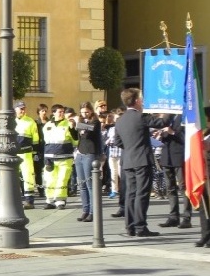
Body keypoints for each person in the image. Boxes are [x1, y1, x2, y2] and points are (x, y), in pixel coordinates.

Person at [113, 88, 167, 237]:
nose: (142, 102)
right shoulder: (141, 116)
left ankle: (130, 226)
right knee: (142, 193)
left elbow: (118, 141)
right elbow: (162, 122)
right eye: (141, 99)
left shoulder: (120, 119)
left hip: (128, 160)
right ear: (137, 101)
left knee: (131, 193)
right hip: (142, 159)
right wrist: (170, 109)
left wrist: (131, 147)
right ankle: (141, 227)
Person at [155, 113, 193, 229]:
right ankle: (173, 217)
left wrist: (173, 132)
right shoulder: (168, 117)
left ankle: (186, 218)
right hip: (167, 157)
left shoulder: (185, 116)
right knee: (170, 188)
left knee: (183, 187)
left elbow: (188, 138)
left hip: (180, 156)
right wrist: (160, 135)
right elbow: (165, 137)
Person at [42, 105, 77, 210]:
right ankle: (50, 200)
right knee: (49, 180)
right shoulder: (48, 125)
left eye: (63, 112)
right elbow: (45, 141)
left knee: (62, 180)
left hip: (65, 157)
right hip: (50, 157)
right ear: (53, 113)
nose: (62, 114)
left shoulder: (68, 124)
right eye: (59, 112)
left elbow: (76, 141)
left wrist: (73, 129)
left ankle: (60, 201)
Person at [74, 102, 103, 222]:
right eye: (82, 112)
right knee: (82, 185)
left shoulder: (95, 122)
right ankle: (85, 210)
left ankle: (92, 212)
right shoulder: (81, 122)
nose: (84, 114)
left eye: (86, 112)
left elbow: (89, 133)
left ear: (91, 111)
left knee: (90, 185)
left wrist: (79, 124)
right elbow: (77, 136)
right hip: (80, 154)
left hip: (90, 154)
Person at [14, 102, 40, 209]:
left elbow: (36, 139)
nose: (22, 110)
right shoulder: (10, 121)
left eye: (24, 108)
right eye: (20, 108)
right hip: (13, 154)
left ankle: (29, 201)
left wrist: (35, 153)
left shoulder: (30, 121)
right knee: (13, 177)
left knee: (28, 176)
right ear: (15, 109)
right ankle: (15, 200)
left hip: (26, 153)